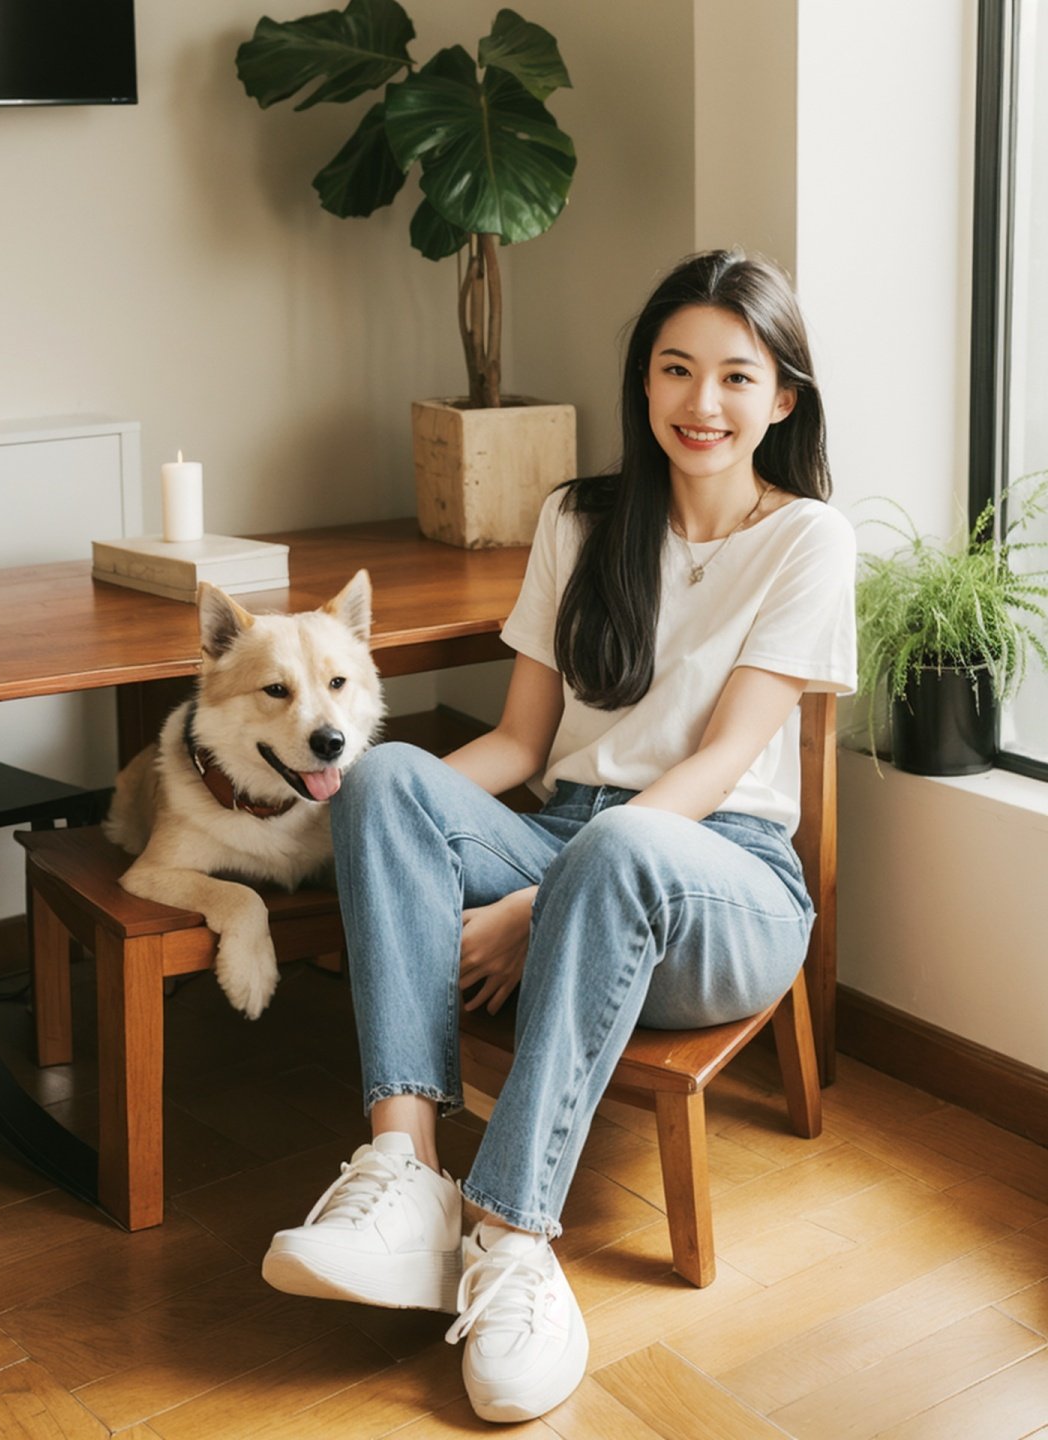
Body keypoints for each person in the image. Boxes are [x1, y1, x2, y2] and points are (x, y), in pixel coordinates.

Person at [261, 249, 858, 1423]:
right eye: (676, 370)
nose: (703, 403)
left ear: (783, 398)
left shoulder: (808, 541)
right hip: (574, 843)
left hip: (721, 882)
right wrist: (403, 826)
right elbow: (521, 745)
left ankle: (517, 1241)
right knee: (383, 775)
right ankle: (407, 1171)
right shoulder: (578, 520)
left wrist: (533, 910)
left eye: (738, 378)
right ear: (642, 384)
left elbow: (712, 768)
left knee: (623, 850)